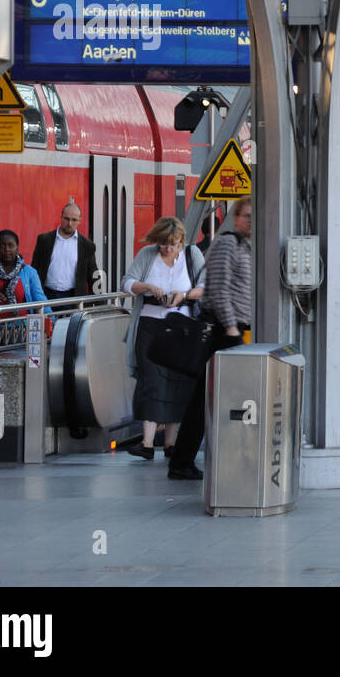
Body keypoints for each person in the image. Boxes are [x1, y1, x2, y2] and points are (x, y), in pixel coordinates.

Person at [170, 199, 252, 480]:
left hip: (230, 329)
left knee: (205, 398)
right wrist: (230, 328)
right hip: (222, 331)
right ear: (236, 218)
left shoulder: (243, 245)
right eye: (247, 216)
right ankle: (185, 461)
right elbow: (217, 287)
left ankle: (183, 461)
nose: (252, 221)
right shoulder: (228, 244)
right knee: (213, 397)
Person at [121, 217, 205, 461]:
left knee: (177, 382)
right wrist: (146, 286)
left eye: (173, 244)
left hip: (181, 329)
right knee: (151, 381)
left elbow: (205, 284)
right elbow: (126, 281)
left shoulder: (193, 255)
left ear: (182, 242)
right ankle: (147, 443)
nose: (168, 249)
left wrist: (185, 295)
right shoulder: (148, 254)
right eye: (163, 244)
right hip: (150, 326)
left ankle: (171, 443)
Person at [0, 230, 49, 357]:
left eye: (11, 245)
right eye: (2, 245)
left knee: (15, 369)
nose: (6, 249)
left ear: (17, 248)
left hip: (19, 331)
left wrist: (52, 322)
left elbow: (41, 301)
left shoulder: (29, 272)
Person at [31, 202, 99, 301]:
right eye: (66, 219)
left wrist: (98, 304)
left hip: (72, 298)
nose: (69, 223)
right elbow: (34, 269)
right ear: (61, 217)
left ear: (79, 221)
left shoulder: (87, 245)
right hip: (45, 296)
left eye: (74, 220)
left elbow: (93, 275)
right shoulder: (44, 240)